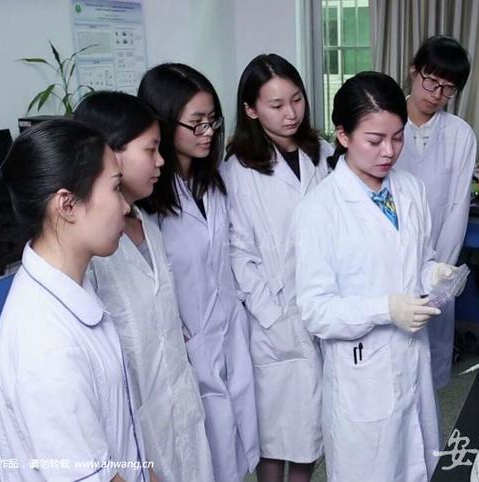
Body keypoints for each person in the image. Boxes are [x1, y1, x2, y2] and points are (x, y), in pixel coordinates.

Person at [294, 71, 460, 481]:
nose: (389, 151)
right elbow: (316, 311)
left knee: (418, 464)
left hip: (411, 360)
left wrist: (434, 274)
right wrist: (386, 309)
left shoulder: (411, 190)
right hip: (362, 373)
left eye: (398, 138)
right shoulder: (320, 209)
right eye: (375, 140)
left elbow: (416, 262)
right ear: (343, 135)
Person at [0, 119, 151, 481]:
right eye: (115, 188)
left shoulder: (72, 289)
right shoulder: (46, 342)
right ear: (67, 205)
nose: (126, 207)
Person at [74, 91, 215, 482]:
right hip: (133, 437)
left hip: (181, 412)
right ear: (109, 155)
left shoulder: (148, 227)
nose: (161, 161)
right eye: (151, 150)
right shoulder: (91, 254)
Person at [137, 63, 259, 482]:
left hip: (230, 335)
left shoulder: (215, 183)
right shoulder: (147, 205)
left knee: (235, 454)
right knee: (201, 460)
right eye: (196, 123)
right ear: (164, 123)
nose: (208, 132)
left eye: (213, 120)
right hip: (187, 352)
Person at [224, 53, 334, 482]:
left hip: (322, 307)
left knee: (310, 434)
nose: (291, 113)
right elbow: (238, 252)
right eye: (276, 105)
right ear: (251, 109)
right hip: (273, 319)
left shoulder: (322, 153)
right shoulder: (238, 170)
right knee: (272, 437)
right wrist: (271, 316)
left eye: (297, 99)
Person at [396, 35, 477, 391]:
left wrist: (439, 277)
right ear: (413, 71)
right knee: (392, 366)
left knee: (429, 371)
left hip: (437, 265)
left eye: (448, 89)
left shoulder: (460, 135)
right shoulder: (387, 124)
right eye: (431, 82)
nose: (437, 94)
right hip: (390, 262)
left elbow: (457, 209)